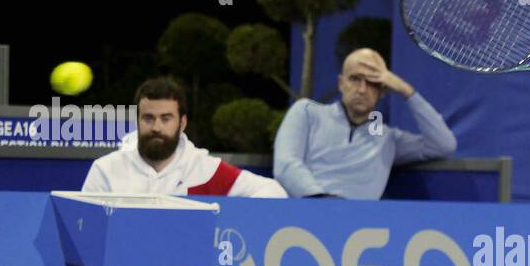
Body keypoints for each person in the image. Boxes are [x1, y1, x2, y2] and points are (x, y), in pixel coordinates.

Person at [273, 47, 456, 199]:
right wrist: (322, 201)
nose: (362, 89)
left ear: (383, 91)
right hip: (304, 217)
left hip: (360, 231)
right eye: (355, 79)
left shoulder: (387, 138)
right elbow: (286, 165)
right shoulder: (306, 112)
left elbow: (444, 145)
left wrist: (405, 90)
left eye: (372, 83)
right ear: (341, 83)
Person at [82, 78, 286, 197]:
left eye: (166, 118)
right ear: (137, 120)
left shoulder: (207, 170)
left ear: (182, 123)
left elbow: (273, 192)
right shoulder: (106, 170)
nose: (156, 127)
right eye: (148, 118)